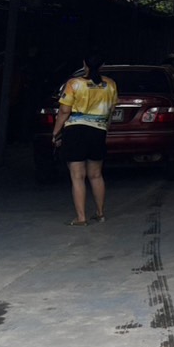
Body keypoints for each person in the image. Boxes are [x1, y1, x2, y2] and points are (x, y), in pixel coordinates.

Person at [52, 54, 117, 226]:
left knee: (77, 176)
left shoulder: (74, 84)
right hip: (98, 131)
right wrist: (105, 128)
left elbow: (64, 111)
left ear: (84, 64)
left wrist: (56, 132)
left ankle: (81, 218)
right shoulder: (110, 84)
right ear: (103, 65)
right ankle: (100, 213)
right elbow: (111, 111)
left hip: (75, 132)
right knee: (96, 175)